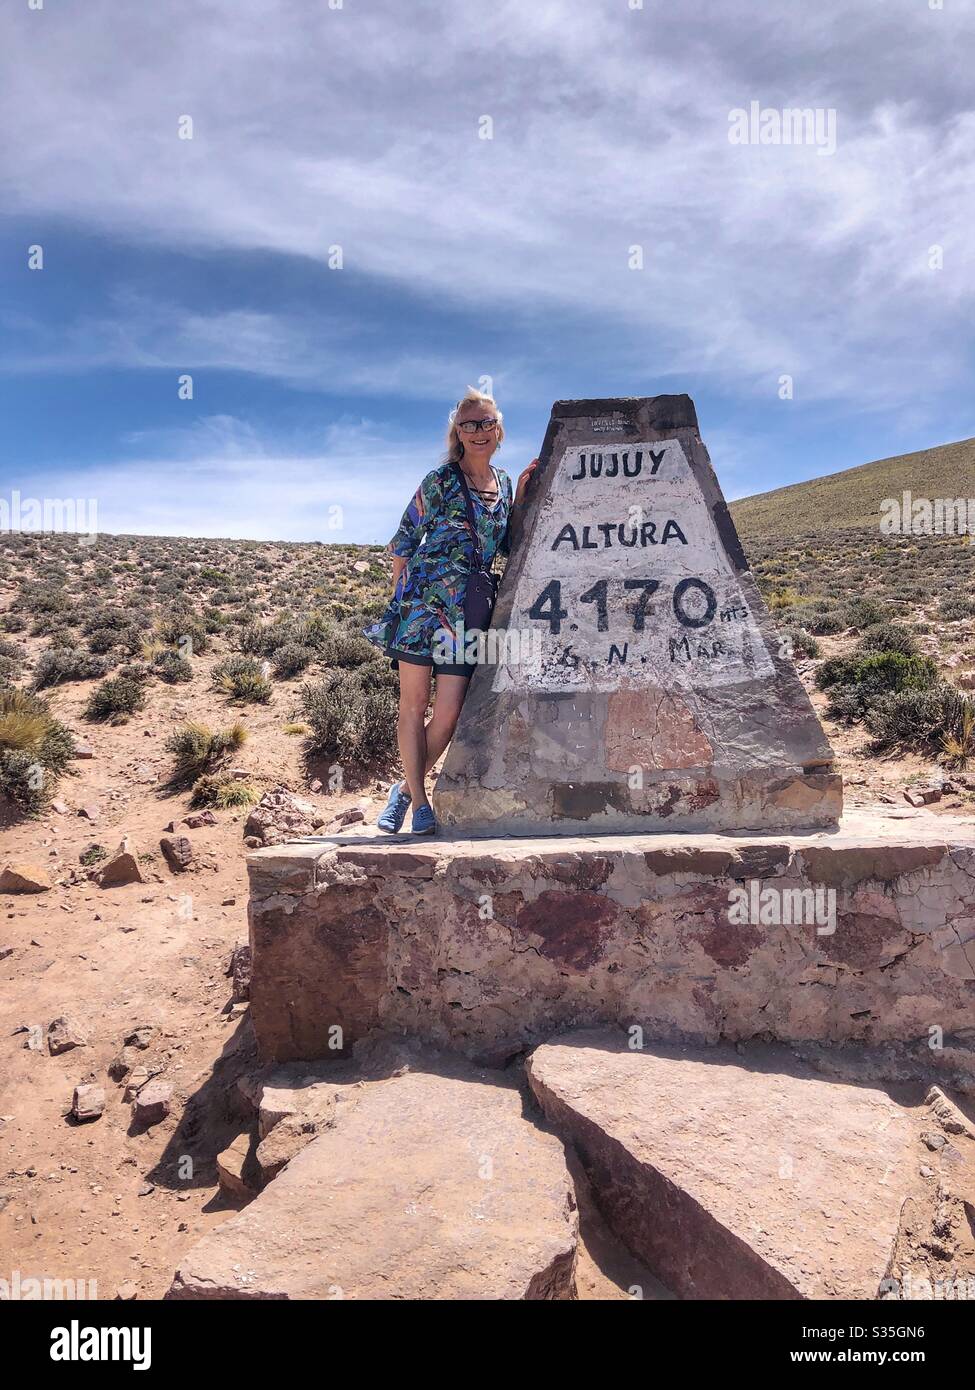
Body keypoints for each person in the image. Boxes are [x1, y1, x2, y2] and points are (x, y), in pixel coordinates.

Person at [363, 387, 537, 835]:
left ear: (498, 430)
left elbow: (510, 546)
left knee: (449, 712)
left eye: (485, 423)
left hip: (470, 609)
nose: (477, 432)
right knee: (413, 704)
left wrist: (524, 497)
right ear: (457, 432)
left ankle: (402, 790)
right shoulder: (439, 481)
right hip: (422, 607)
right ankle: (420, 803)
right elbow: (404, 541)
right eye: (468, 424)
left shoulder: (504, 485)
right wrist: (399, 601)